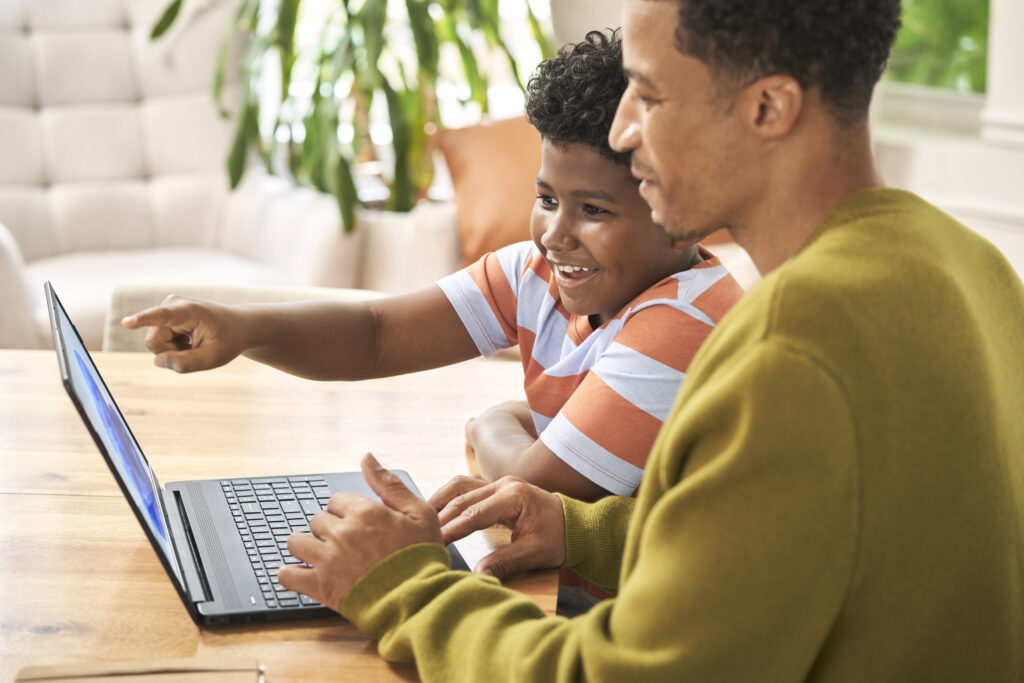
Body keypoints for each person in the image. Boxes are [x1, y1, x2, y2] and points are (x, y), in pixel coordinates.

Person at [267, 0, 1024, 680]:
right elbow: (787, 546)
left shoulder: (789, 354)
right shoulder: (968, 263)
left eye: (650, 94)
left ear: (768, 108)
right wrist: (580, 527)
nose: (624, 128)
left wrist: (403, 581)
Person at [123, 31, 741, 505]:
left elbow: (529, 491)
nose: (555, 234)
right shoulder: (540, 275)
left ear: (676, 207)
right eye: (548, 199)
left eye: (594, 210)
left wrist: (496, 420)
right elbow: (378, 333)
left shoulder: (683, 322)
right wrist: (242, 328)